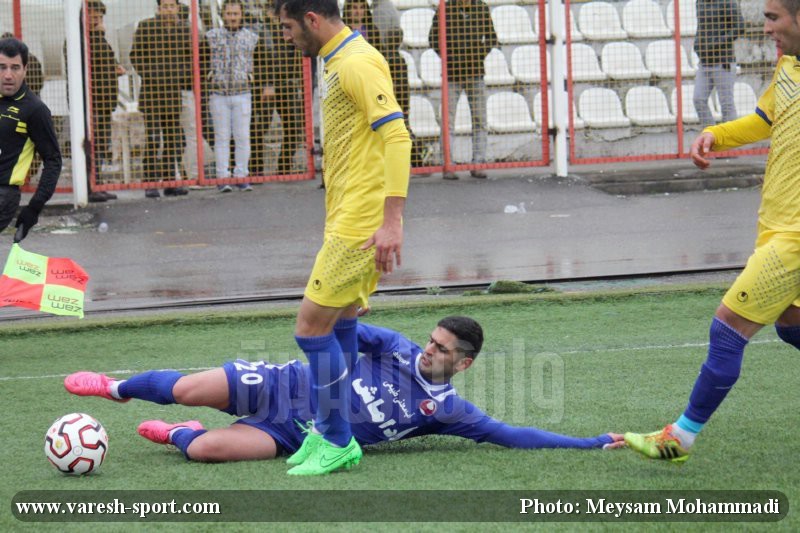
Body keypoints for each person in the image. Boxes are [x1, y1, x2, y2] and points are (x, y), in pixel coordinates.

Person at [63, 317, 625, 463]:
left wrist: (590, 442)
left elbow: (512, 435)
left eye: (443, 349)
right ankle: (116, 389)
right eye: (431, 340)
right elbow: (345, 325)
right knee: (188, 388)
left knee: (207, 449)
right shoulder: (397, 348)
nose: (429, 350)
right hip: (283, 384)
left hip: (294, 431)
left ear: (465, 363)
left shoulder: (446, 410)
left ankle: (181, 436)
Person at [625, 0, 800, 463]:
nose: (765, 28)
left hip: (796, 238)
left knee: (728, 327)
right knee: (790, 324)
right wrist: (716, 135)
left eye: (773, 17)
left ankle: (679, 437)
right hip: (775, 223)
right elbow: (766, 120)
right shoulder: (789, 66)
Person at [274, 0, 411, 475]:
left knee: (310, 327)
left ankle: (337, 438)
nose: (287, 36)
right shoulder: (334, 60)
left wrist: (392, 221)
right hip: (345, 216)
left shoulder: (356, 61)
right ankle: (327, 427)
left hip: (361, 223)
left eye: (289, 27)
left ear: (312, 20)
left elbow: (398, 137)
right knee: (343, 321)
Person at [0, 37, 62, 241]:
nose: (8, 75)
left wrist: (34, 208)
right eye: (2, 67)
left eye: (15, 68)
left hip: (3, 195)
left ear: (25, 69)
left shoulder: (35, 110)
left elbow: (53, 161)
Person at [429, 0, 496, 180]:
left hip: (475, 73)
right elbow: (433, 38)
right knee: (448, 121)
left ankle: (478, 163)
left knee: (480, 119)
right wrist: (449, 56)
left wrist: (477, 55)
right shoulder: (445, 8)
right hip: (452, 73)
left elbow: (491, 37)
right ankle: (448, 165)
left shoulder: (481, 8)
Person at [130, 0, 191, 199]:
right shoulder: (146, 26)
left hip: (173, 93)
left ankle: (169, 182)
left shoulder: (184, 29)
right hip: (152, 93)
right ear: (159, 8)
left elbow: (190, 56)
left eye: (172, 6)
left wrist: (178, 76)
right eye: (165, 6)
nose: (168, 10)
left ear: (177, 7)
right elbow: (135, 56)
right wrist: (151, 74)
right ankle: (150, 182)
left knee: (173, 139)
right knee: (153, 138)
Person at [206, 0, 258, 192]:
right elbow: (202, 60)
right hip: (218, 93)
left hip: (243, 93)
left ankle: (241, 176)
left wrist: (252, 78)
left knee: (242, 136)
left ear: (241, 15)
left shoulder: (252, 38)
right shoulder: (211, 37)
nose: (232, 17)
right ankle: (222, 177)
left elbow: (260, 62)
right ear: (223, 14)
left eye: (235, 14)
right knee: (222, 137)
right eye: (229, 13)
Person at [251, 6, 305, 176]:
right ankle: (256, 169)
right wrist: (267, 82)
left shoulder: (291, 26)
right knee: (259, 127)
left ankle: (284, 167)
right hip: (266, 85)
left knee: (293, 127)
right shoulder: (259, 28)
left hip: (287, 83)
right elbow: (260, 58)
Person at [79, 0, 124, 203]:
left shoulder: (99, 37)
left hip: (105, 101)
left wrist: (114, 68)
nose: (96, 21)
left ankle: (97, 184)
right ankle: (90, 186)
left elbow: (103, 62)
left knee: (101, 145)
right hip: (92, 103)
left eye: (99, 18)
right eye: (93, 17)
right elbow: (89, 59)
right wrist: (98, 33)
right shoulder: (81, 38)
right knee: (93, 146)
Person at [693, 0, 746, 127]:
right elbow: (702, 26)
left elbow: (740, 27)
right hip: (704, 62)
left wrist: (717, 43)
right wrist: (697, 44)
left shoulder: (727, 2)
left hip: (723, 62)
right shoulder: (699, 2)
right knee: (698, 99)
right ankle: (712, 136)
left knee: (726, 104)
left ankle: (729, 141)